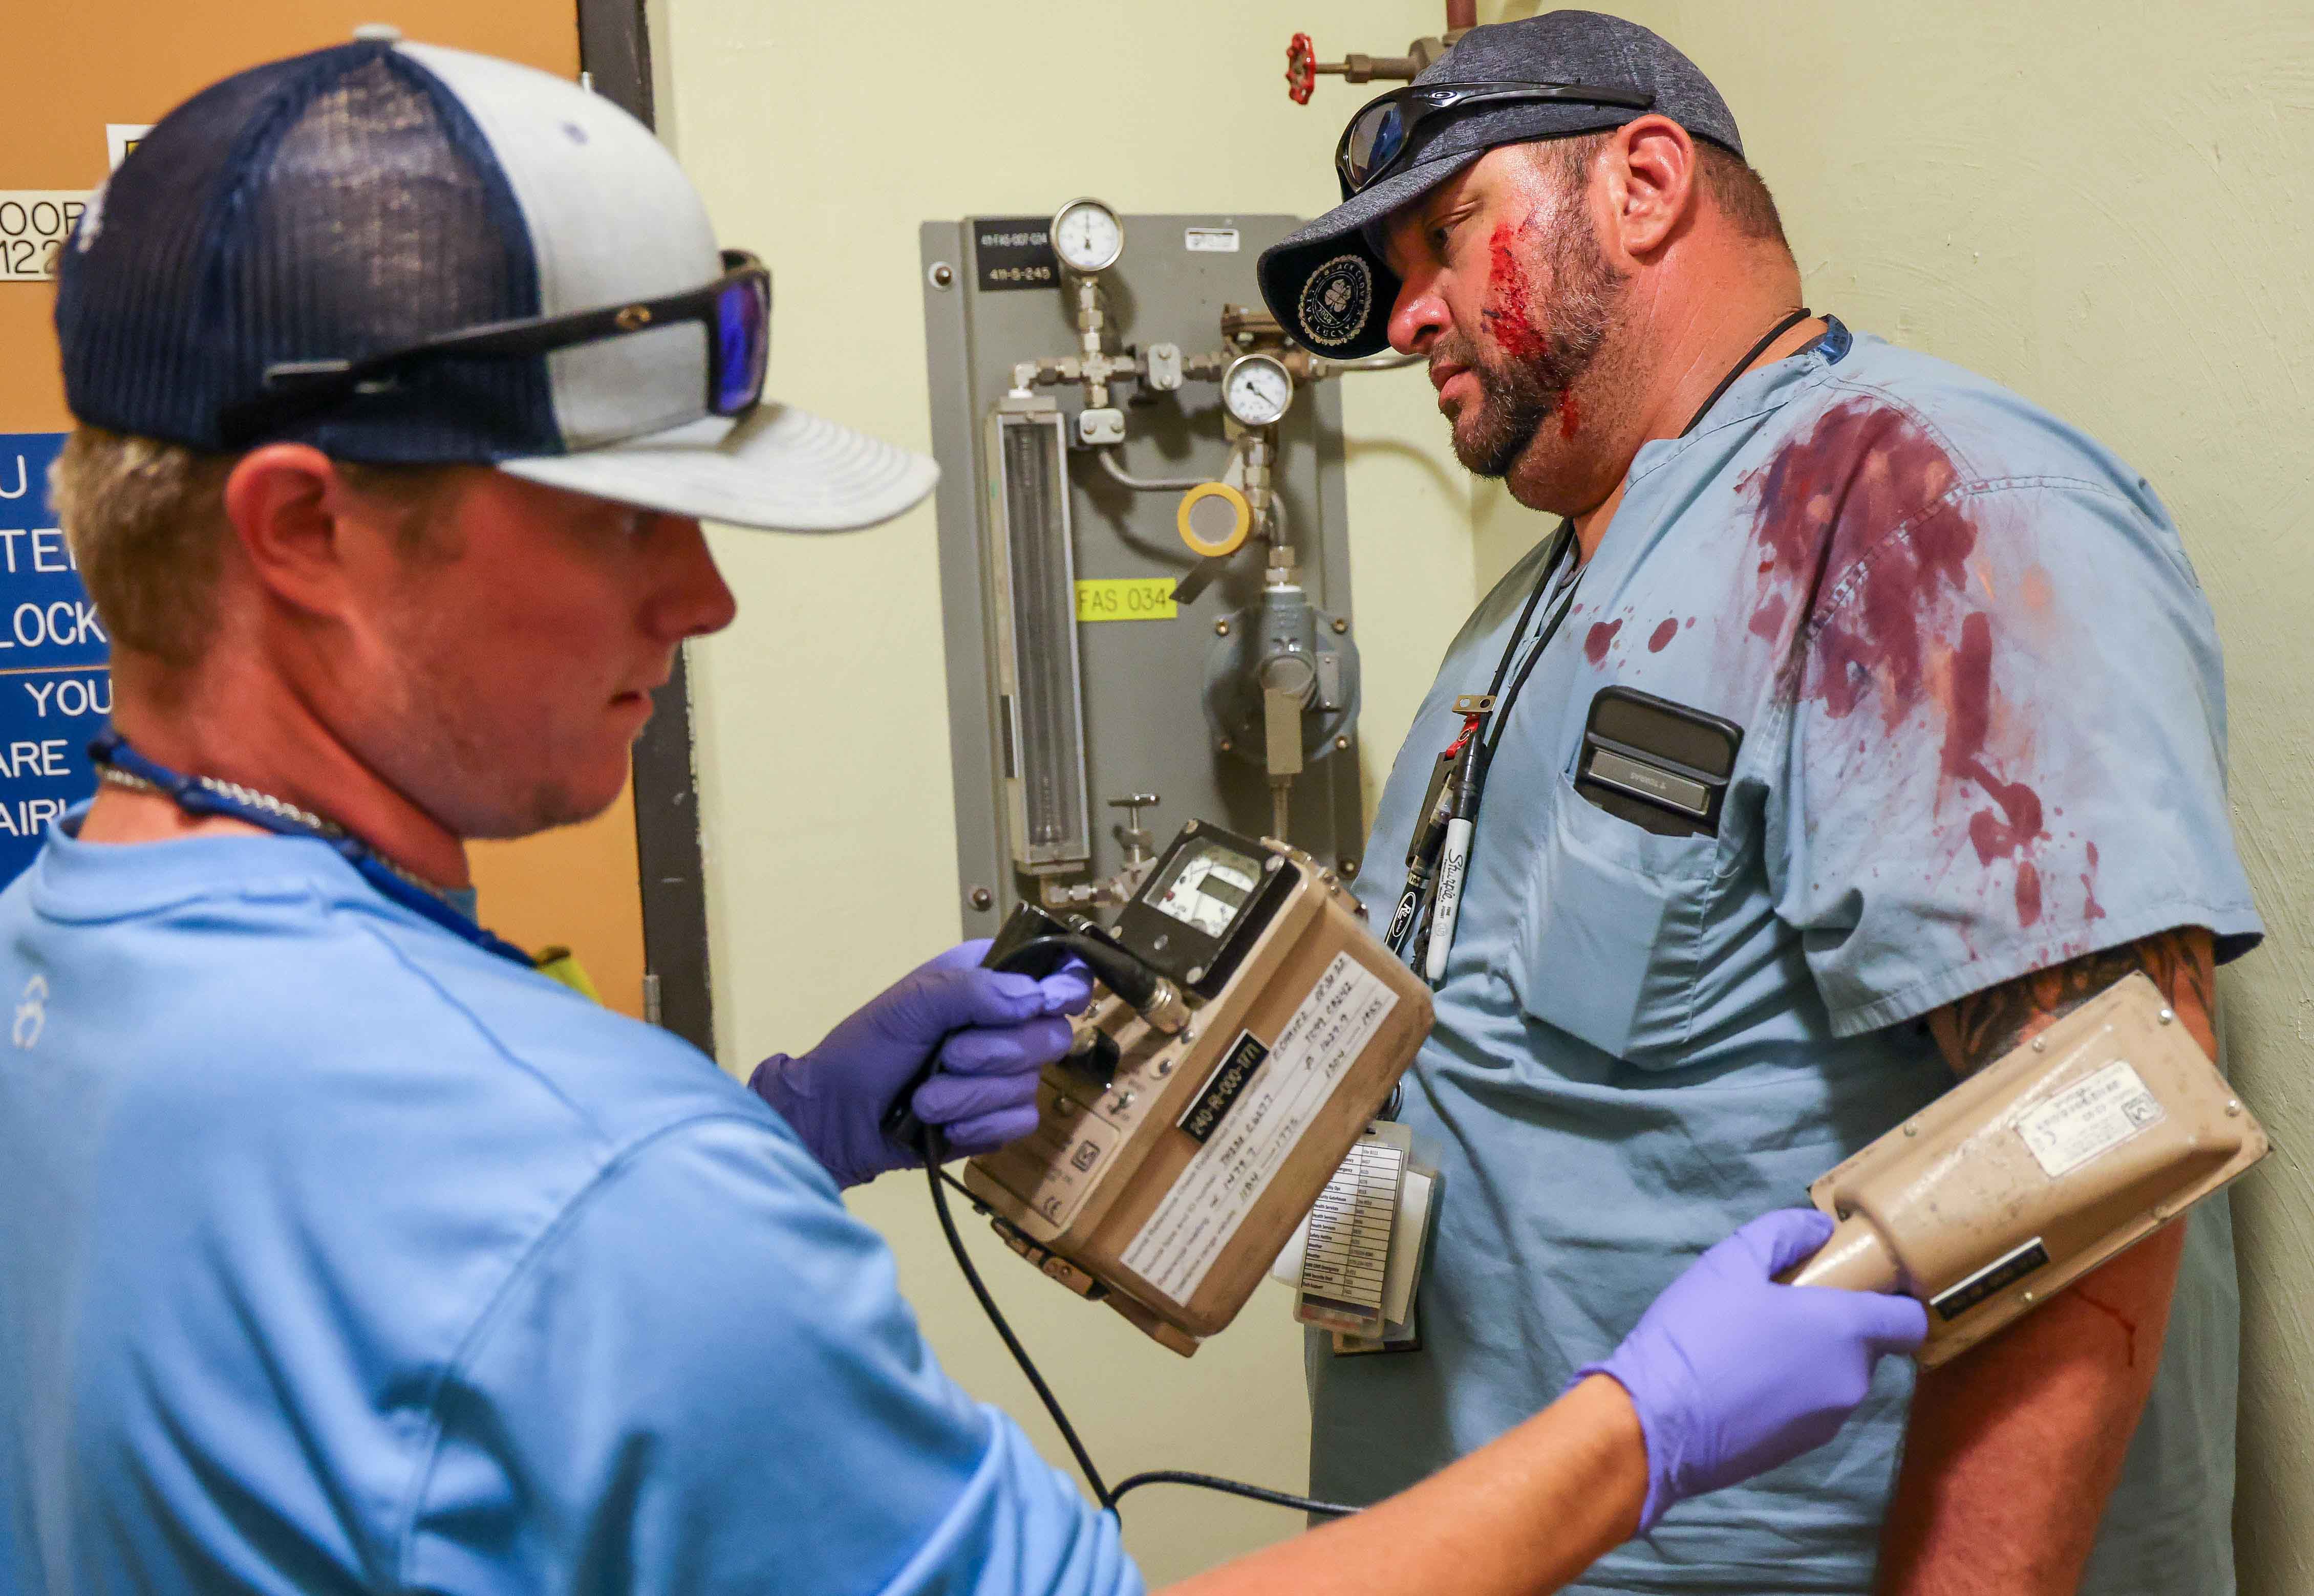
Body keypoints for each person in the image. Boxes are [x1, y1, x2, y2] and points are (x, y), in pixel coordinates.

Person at [0, 33, 1927, 1596]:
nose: (704, 601)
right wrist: (1644, 1429)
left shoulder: (58, 973)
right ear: (307, 531)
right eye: (622, 523)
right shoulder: (610, 1210)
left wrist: (783, 1125)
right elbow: (546, 1257)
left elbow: (391, 1356)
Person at [1255, 11, 2260, 1595]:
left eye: (1446, 239)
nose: (1408, 322)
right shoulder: (1534, 600)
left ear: (1645, 183)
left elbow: (2104, 1138)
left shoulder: (1917, 514)